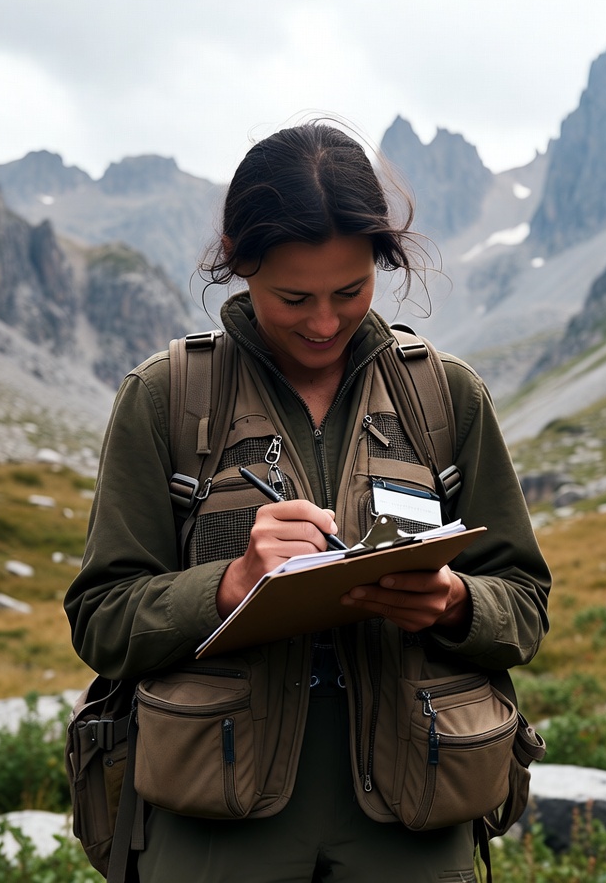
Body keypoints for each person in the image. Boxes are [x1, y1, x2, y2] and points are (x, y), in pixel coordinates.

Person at [64, 121, 550, 883]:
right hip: (215, 824)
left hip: (418, 815)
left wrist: (455, 604)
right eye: (293, 297)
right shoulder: (166, 397)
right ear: (240, 264)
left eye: (351, 292)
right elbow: (101, 618)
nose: (324, 323)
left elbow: (525, 603)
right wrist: (227, 587)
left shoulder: (445, 397)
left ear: (381, 265)